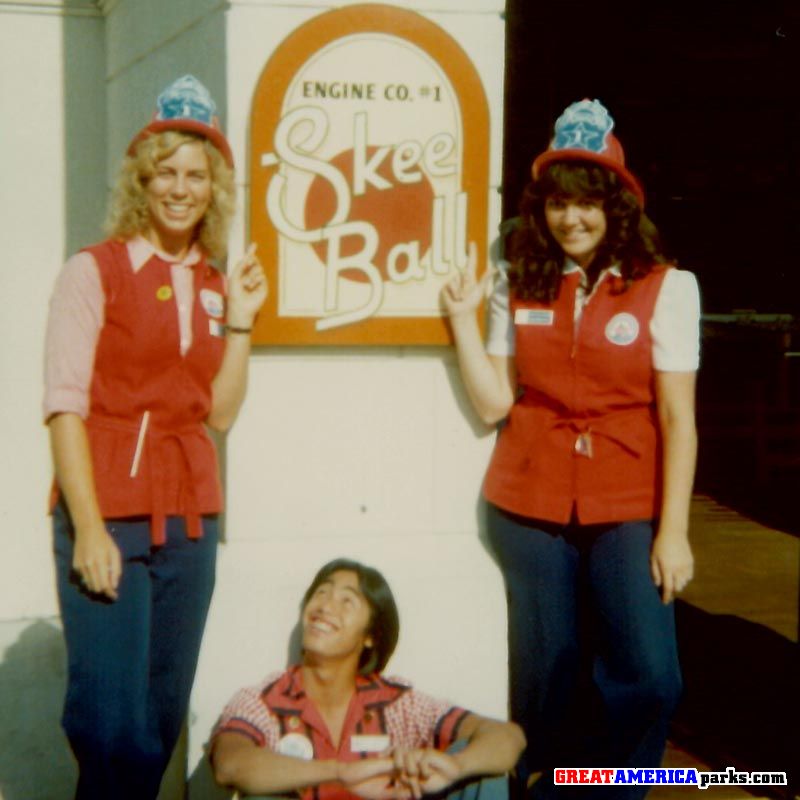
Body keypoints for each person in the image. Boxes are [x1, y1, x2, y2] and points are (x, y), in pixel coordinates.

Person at [441, 99, 699, 797]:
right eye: (556, 203)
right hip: (527, 502)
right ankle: (549, 789)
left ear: (617, 205)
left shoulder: (666, 288)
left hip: (625, 501)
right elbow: (496, 401)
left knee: (647, 673)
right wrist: (464, 323)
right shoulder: (521, 278)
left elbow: (678, 419)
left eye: (587, 203)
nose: (570, 219)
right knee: (548, 672)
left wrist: (672, 533)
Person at [43, 75, 267, 799]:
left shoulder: (213, 279)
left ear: (214, 188)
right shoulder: (93, 271)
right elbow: (64, 407)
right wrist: (87, 528)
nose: (180, 188)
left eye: (196, 175)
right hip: (106, 510)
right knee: (108, 725)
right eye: (165, 172)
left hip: (190, 517)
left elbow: (221, 414)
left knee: (158, 723)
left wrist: (242, 321)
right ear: (142, 180)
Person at [210, 558, 526, 799]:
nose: (325, 607)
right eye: (320, 593)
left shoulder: (399, 703)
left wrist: (453, 767)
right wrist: (342, 772)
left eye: (347, 601)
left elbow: (508, 737)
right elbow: (229, 763)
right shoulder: (263, 700)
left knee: (486, 774)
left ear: (371, 636)